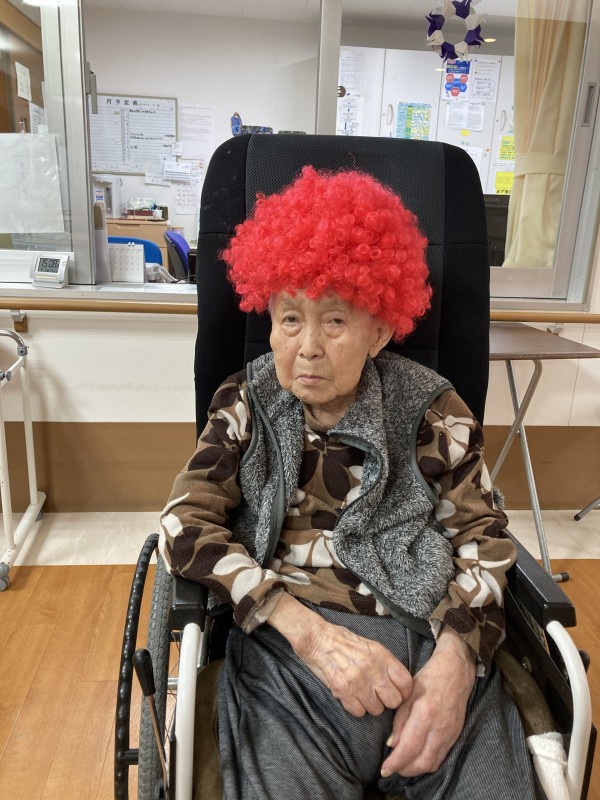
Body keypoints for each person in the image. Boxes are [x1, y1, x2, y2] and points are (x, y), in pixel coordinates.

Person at [159, 166, 542, 799]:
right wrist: (304, 630)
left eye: (335, 321)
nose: (307, 347)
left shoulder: (432, 408)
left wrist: (456, 662)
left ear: (380, 331)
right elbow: (183, 523)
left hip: (432, 644)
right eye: (289, 319)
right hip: (292, 665)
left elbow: (484, 536)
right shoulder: (247, 403)